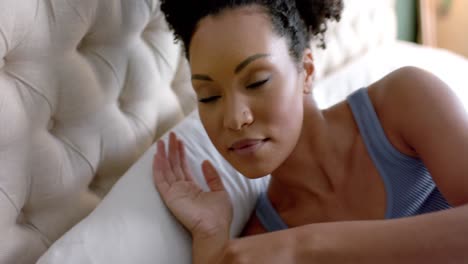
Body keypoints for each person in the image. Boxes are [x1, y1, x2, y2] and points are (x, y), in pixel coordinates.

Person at [152, 0, 468, 263]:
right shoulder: (265, 237)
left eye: (257, 81)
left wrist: (306, 245)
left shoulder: (404, 101)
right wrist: (211, 238)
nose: (234, 119)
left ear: (306, 71)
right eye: (209, 97)